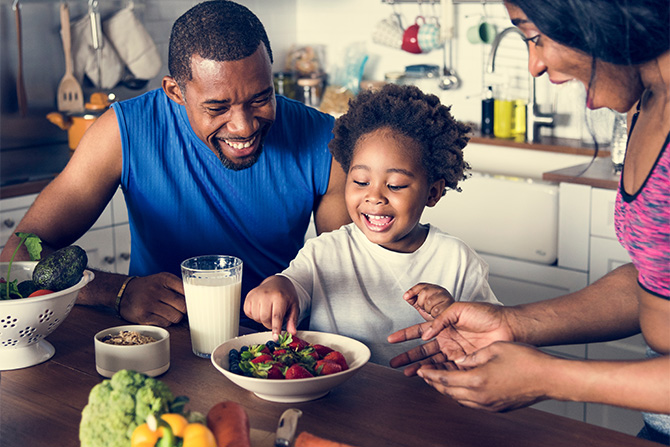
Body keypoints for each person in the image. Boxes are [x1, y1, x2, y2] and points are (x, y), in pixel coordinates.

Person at [387, 0, 670, 443]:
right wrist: (513, 323)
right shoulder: (647, 105)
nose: (535, 65)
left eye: (534, 35)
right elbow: (654, 280)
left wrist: (552, 378)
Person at [0, 0, 349, 327]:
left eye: (261, 98)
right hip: (165, 341)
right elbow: (17, 254)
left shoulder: (325, 140)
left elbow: (347, 272)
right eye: (217, 108)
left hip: (273, 347)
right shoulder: (123, 132)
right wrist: (117, 291)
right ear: (175, 92)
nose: (244, 126)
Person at [244, 84, 501, 365]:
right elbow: (293, 284)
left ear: (433, 193)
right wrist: (276, 287)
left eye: (396, 185)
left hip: (426, 400)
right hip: (337, 398)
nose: (374, 196)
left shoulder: (458, 262)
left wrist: (453, 312)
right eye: (360, 182)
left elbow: (495, 343)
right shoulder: (326, 251)